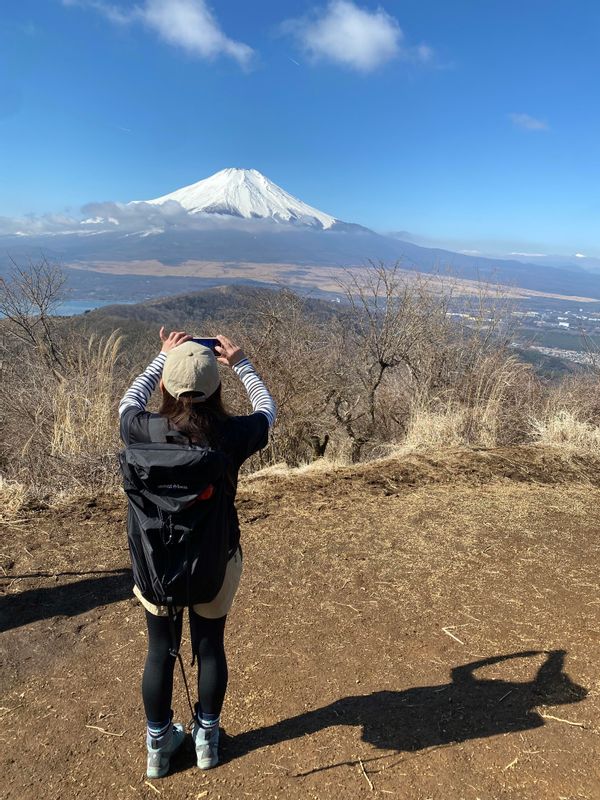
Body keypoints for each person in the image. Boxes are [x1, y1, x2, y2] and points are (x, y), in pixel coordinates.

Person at [118, 329, 276, 778]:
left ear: (165, 387)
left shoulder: (138, 429)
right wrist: (241, 362)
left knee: (159, 650)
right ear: (216, 389)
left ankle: (158, 746)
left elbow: (129, 400)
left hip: (155, 564)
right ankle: (207, 740)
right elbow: (268, 410)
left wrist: (160, 357)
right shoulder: (229, 435)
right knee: (210, 648)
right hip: (214, 561)